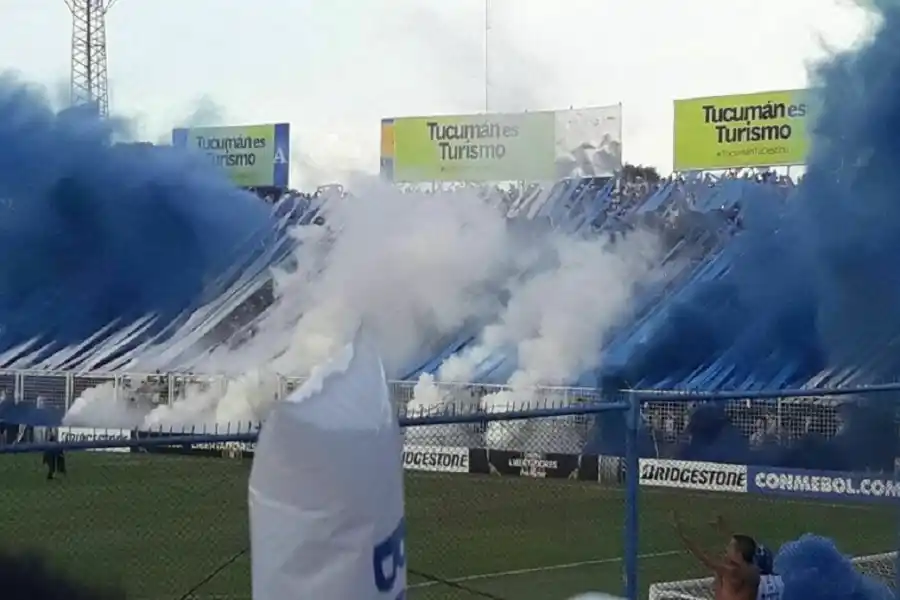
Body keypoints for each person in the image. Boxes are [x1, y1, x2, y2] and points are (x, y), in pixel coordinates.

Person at [672, 511, 783, 600]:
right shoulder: (752, 568)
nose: (726, 549)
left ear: (738, 555)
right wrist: (722, 528)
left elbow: (704, 558)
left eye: (730, 548)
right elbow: (740, 543)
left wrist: (682, 534)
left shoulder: (732, 572)